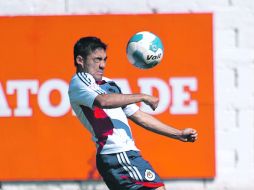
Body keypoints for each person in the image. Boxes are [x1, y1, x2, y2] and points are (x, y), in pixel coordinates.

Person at [68, 36, 198, 190]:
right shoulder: (79, 81)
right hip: (118, 154)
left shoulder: (109, 85)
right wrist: (142, 96)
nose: (102, 65)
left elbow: (139, 116)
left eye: (104, 59)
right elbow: (104, 101)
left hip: (122, 155)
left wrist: (178, 134)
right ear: (80, 60)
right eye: (97, 59)